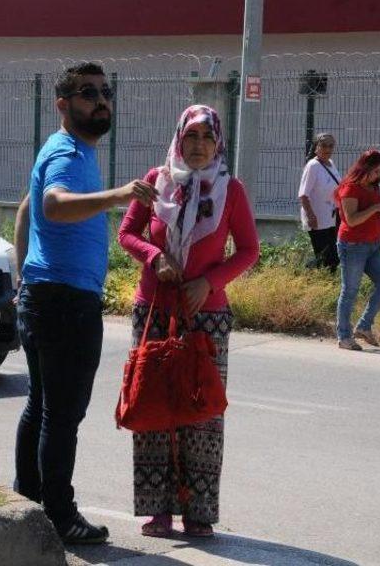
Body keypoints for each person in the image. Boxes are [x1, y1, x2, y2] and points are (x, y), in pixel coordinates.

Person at [13, 62, 158, 544]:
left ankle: (27, 501)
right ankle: (58, 514)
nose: (100, 101)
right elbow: (51, 204)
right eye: (87, 93)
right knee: (61, 413)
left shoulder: (66, 150)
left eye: (104, 92)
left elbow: (25, 207)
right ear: (63, 105)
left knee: (42, 405)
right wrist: (118, 194)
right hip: (63, 302)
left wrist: (24, 275)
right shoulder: (69, 152)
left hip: (44, 294)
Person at [118, 104, 259, 538]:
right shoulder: (156, 179)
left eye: (207, 138)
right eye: (191, 137)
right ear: (179, 139)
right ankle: (156, 510)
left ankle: (197, 511)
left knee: (202, 413)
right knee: (154, 407)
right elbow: (127, 234)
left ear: (218, 143)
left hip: (206, 315)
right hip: (154, 309)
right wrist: (155, 256)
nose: (198, 146)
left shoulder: (230, 190)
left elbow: (249, 250)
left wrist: (209, 283)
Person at [334, 149, 380, 351]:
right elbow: (351, 220)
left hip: (372, 246)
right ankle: (344, 336)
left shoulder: (373, 187)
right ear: (365, 167)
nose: (378, 176)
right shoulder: (350, 188)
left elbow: (372, 213)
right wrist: (376, 209)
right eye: (376, 171)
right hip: (353, 246)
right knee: (350, 290)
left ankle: (363, 326)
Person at [298, 132, 341, 272]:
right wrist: (311, 216)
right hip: (317, 218)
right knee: (327, 257)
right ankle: (304, 273)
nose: (328, 149)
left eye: (331, 146)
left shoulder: (331, 164)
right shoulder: (313, 166)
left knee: (332, 256)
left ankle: (310, 274)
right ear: (316, 147)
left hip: (331, 217)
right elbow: (303, 195)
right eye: (323, 145)